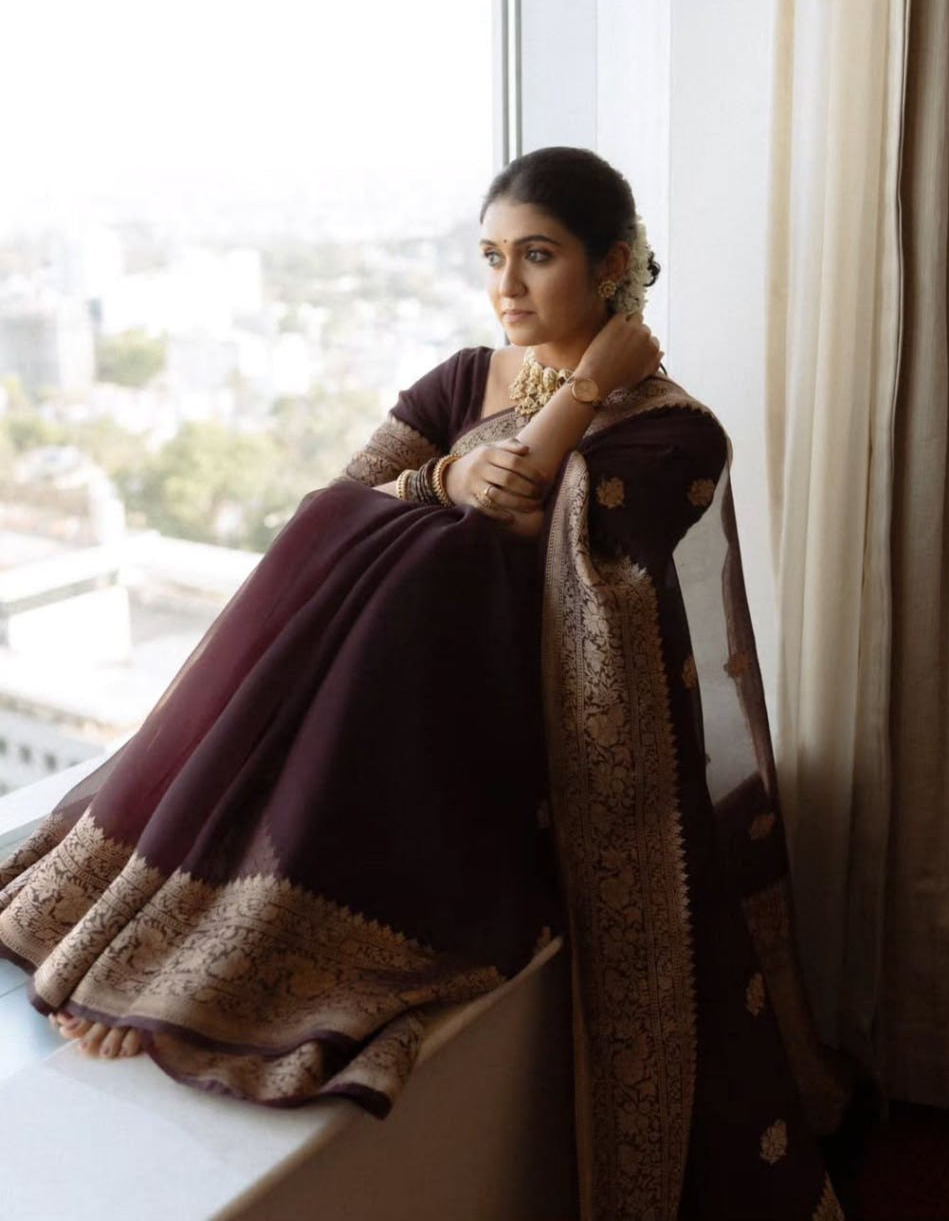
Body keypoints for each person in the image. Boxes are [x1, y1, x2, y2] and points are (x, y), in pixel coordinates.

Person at [0, 147, 846, 1219]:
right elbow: (329, 508)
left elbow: (533, 517)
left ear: (611, 264)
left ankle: (225, 973)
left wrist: (580, 395)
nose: (506, 285)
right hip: (392, 704)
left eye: (537, 256)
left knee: (444, 560)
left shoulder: (673, 430)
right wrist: (440, 474)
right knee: (394, 543)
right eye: (492, 256)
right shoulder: (459, 380)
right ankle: (181, 931)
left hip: (529, 736)